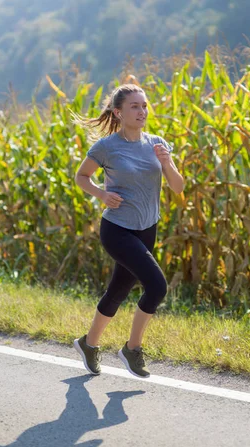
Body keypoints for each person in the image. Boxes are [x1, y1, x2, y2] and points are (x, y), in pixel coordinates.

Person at [72, 83, 184, 378]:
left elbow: (178, 187)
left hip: (147, 227)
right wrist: (101, 194)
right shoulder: (107, 147)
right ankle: (131, 349)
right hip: (117, 229)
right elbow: (81, 177)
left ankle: (88, 344)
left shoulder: (157, 143)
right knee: (157, 287)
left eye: (144, 105)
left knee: (119, 290)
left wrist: (167, 163)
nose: (142, 111)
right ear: (118, 112)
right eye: (135, 106)